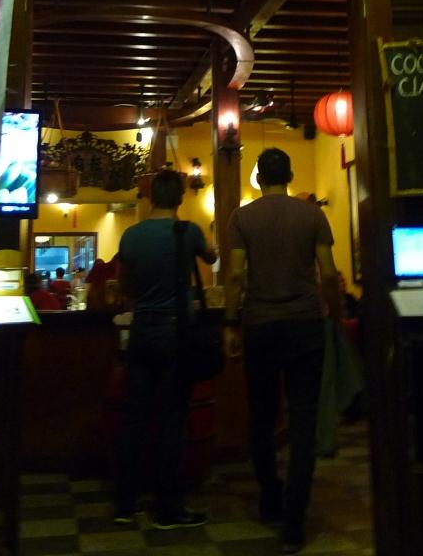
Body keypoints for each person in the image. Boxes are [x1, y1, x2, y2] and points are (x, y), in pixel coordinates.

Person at [225, 147, 341, 555]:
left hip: (259, 325)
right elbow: (329, 273)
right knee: (303, 420)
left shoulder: (242, 218)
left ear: (259, 178)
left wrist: (230, 323)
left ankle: (270, 498)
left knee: (262, 417)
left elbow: (235, 275)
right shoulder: (312, 215)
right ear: (290, 176)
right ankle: (294, 520)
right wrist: (335, 313)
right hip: (305, 324)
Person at [113, 168, 218, 529]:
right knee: (173, 420)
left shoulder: (131, 235)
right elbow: (211, 258)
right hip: (176, 333)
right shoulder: (187, 232)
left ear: (150, 197)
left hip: (141, 330)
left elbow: (124, 287)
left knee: (135, 418)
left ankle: (126, 503)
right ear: (180, 198)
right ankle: (167, 508)